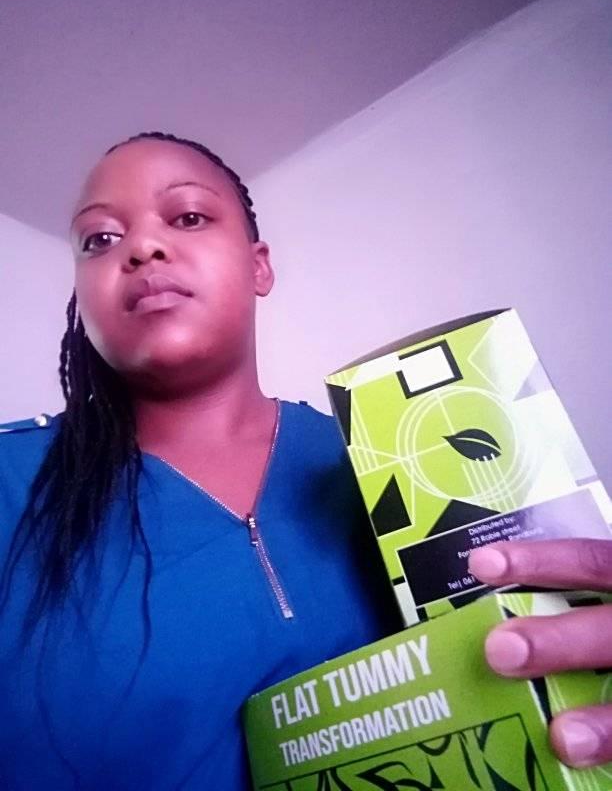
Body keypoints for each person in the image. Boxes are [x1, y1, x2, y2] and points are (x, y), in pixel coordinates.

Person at [0, 132, 609, 789]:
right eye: (99, 239)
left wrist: (582, 678)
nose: (142, 247)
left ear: (259, 266)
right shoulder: (13, 481)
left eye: (189, 217)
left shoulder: (399, 458)